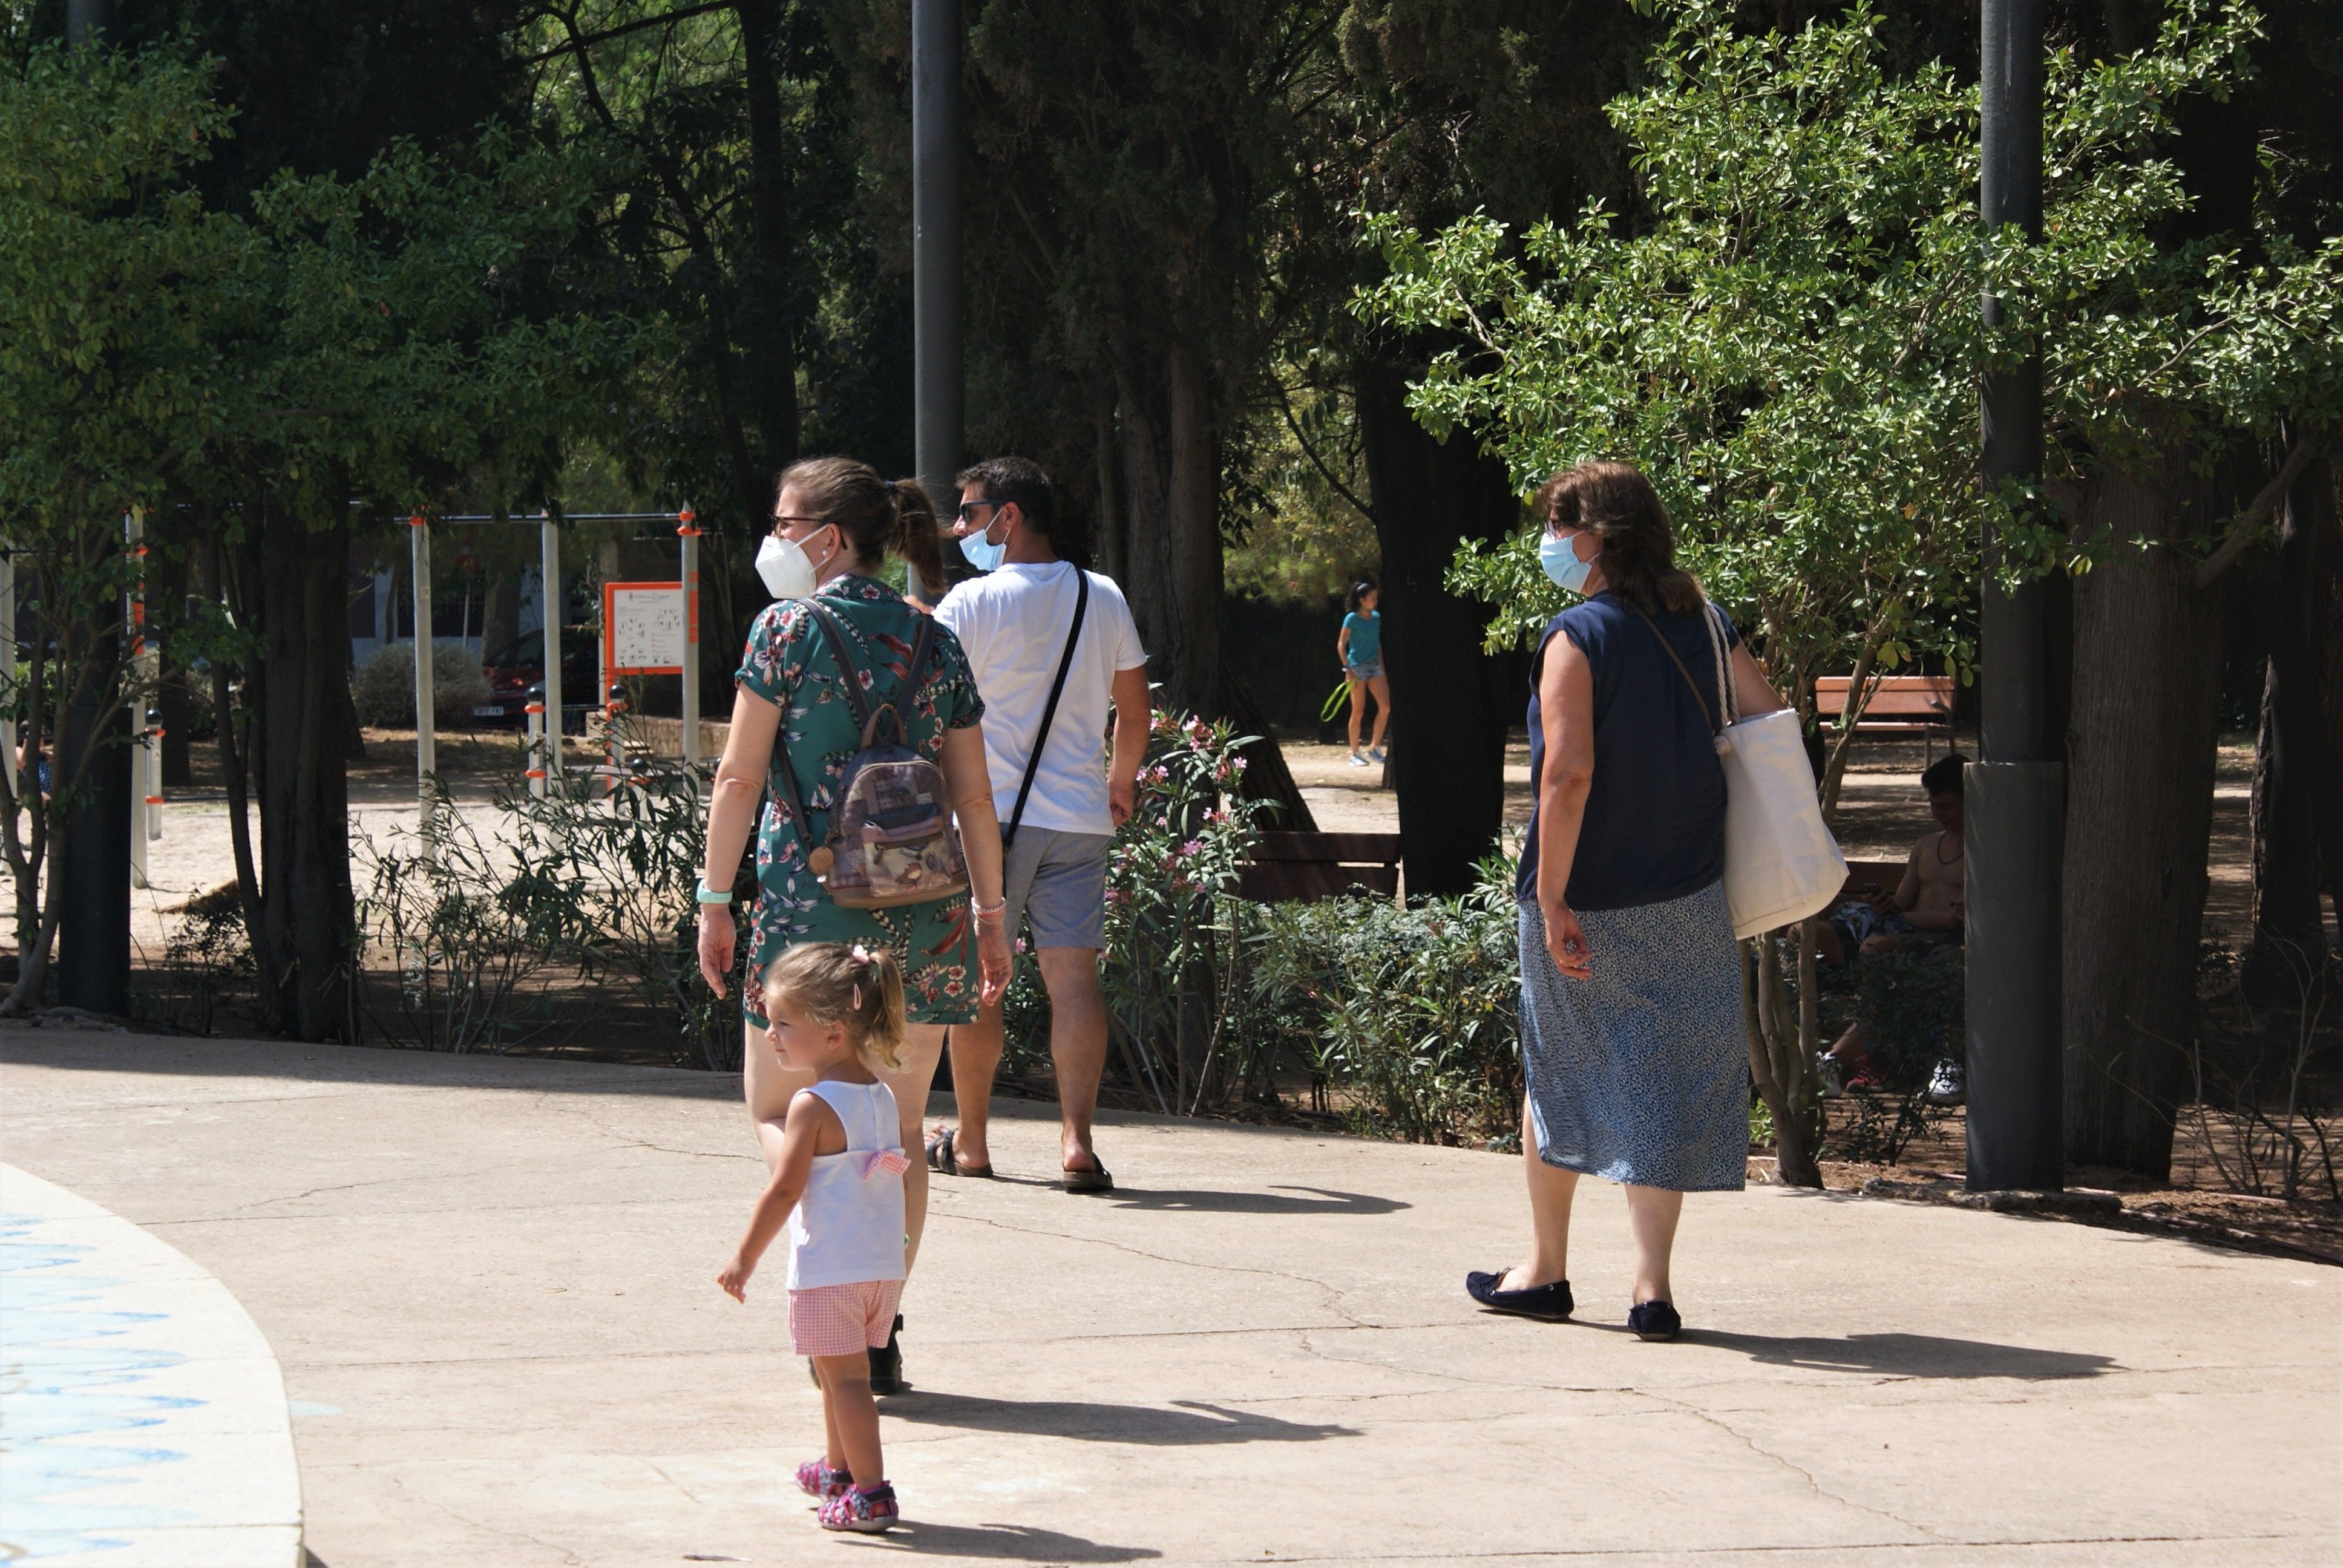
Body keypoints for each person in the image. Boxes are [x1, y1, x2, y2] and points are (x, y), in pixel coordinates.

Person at [697, 457, 1013, 1397]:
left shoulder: (784, 631)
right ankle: (879, 1328)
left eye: (784, 522)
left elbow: (739, 781)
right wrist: (992, 916)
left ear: (829, 539)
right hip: (925, 914)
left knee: (772, 1111)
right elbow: (974, 795)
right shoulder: (936, 642)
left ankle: (827, 1247)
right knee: (899, 1135)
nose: (774, 538)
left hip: (809, 911)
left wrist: (715, 901)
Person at [1466, 460, 1787, 1343]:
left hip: (1588, 891)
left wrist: (1556, 896)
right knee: (1661, 1070)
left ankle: (1545, 1270)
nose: (1552, 544)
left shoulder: (1578, 635)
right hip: (1688, 885)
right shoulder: (1708, 623)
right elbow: (1769, 718)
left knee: (1558, 1069)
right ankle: (1653, 1289)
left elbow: (1567, 775)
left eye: (1559, 526)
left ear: (1596, 536)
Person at [929, 456, 1150, 1192]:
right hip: (1080, 820)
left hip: (986, 824)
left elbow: (934, 714)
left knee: (978, 983)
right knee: (1074, 981)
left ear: (1008, 516)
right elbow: (1134, 705)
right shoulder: (1102, 595)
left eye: (967, 513)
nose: (959, 528)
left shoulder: (967, 606)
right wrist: (1118, 781)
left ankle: (972, 1142)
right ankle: (1077, 1142)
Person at [717, 942, 914, 1534]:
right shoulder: (879, 1093)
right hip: (879, 1267)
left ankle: (870, 1494)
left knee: (847, 1380)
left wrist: (743, 1258)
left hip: (831, 1269)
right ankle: (837, 1468)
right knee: (838, 1373)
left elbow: (783, 1191)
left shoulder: (812, 1104)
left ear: (833, 1034)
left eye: (784, 1024)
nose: (771, 1035)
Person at [1817, 752, 1967, 1102]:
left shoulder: (1987, 849)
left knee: (1943, 964)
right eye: (1932, 805)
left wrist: (1903, 918)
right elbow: (1901, 903)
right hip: (1912, 935)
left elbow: (1956, 919)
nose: (1937, 814)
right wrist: (1886, 906)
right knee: (1874, 949)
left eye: (1945, 806)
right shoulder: (1925, 847)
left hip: (1950, 942)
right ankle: (1848, 1058)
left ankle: (1945, 1062)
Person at [1339, 580, 1389, 767]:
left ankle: (1375, 747)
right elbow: (1341, 645)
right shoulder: (1351, 619)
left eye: (1376, 598)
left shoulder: (1376, 617)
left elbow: (1377, 645)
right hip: (1356, 667)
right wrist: (1347, 669)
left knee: (1386, 707)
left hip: (1375, 666)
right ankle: (1355, 753)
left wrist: (1382, 667)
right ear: (1361, 600)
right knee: (1358, 711)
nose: (1375, 601)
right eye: (1371, 598)